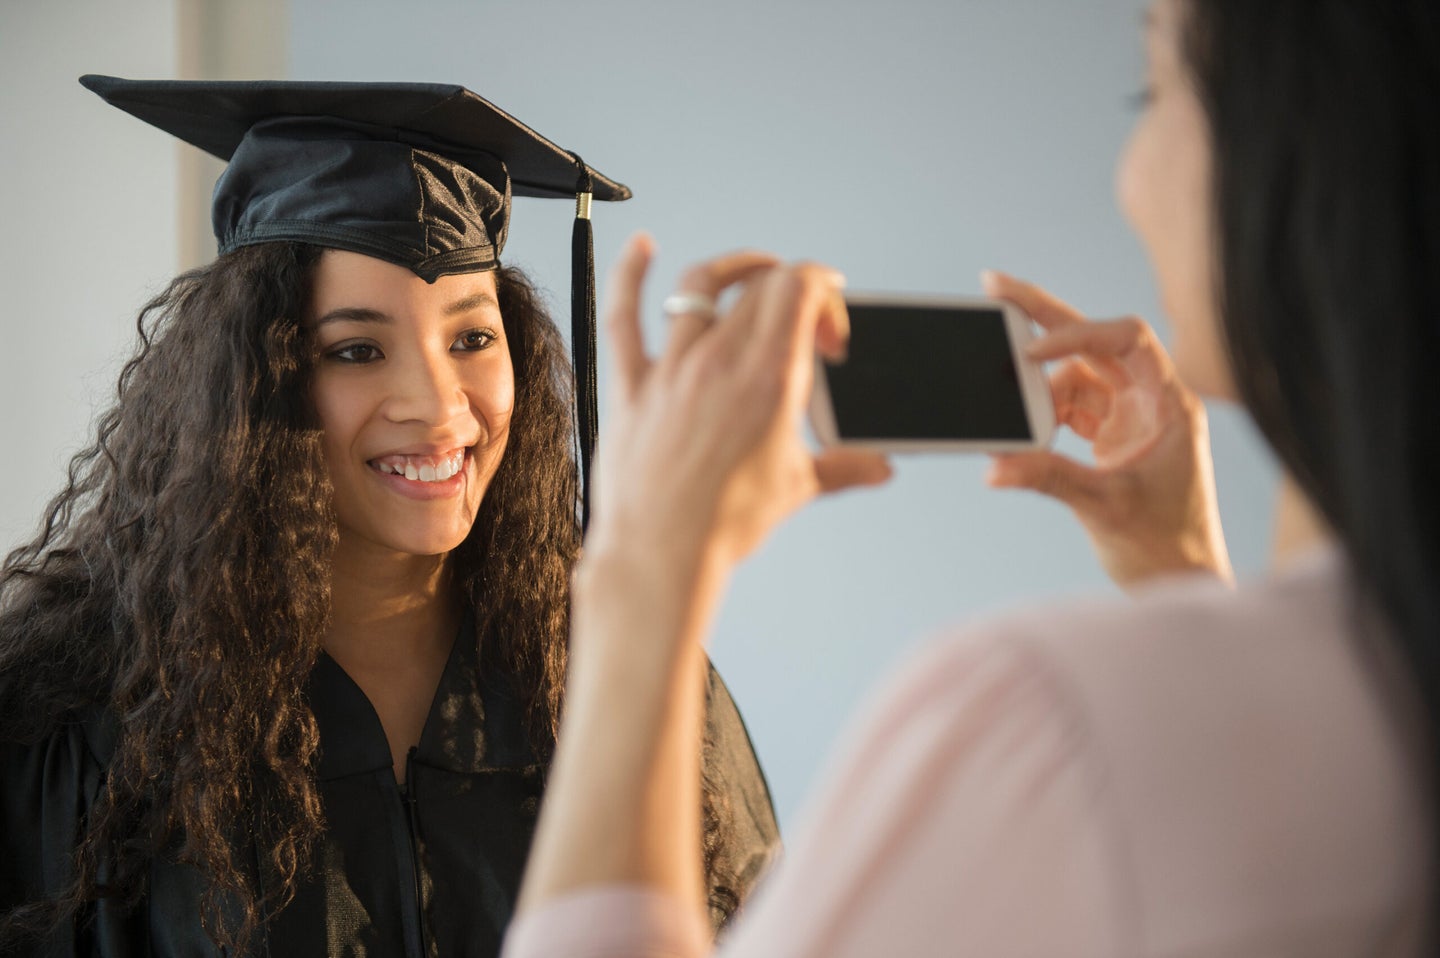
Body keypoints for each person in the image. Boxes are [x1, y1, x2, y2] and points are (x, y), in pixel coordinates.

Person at [502, 0, 1437, 955]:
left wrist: (642, 574)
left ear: (1301, 151)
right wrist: (1183, 577)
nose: (1127, 174)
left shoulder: (1042, 715)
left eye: (1153, 88)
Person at [0, 78, 780, 956]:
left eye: (471, 339)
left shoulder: (613, 673)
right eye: (358, 350)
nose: (441, 410)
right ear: (256, 384)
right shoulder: (93, 727)